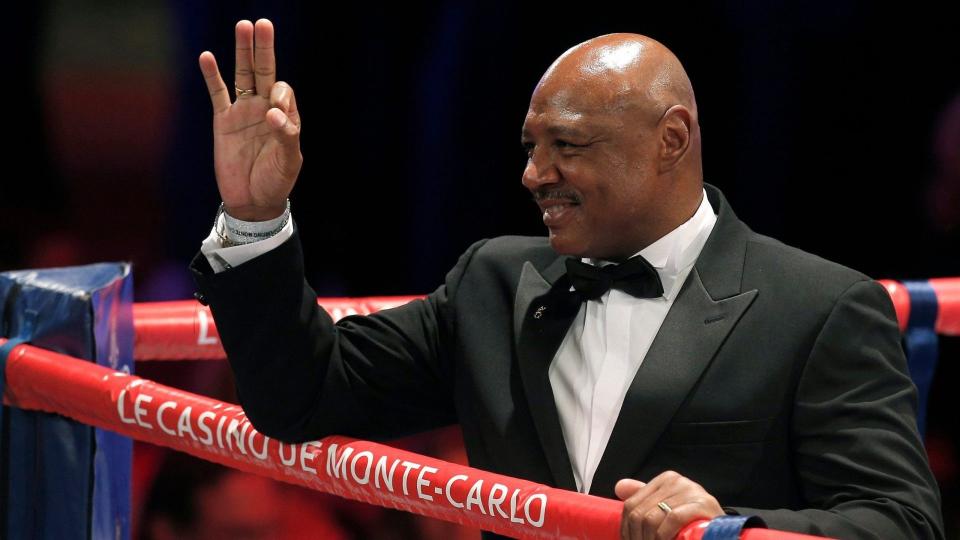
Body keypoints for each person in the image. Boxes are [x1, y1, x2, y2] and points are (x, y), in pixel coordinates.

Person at [190, 19, 943, 539]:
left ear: (670, 140)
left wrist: (729, 527)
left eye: (567, 145)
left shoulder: (820, 307)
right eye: (529, 146)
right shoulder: (492, 283)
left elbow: (899, 523)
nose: (533, 175)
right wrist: (255, 215)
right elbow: (303, 395)